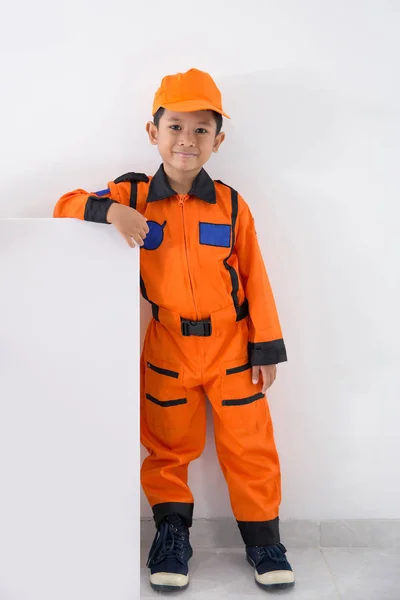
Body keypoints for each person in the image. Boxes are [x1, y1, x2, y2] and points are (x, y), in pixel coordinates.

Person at [53, 68, 295, 594]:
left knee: (249, 445)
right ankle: (171, 537)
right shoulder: (135, 193)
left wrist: (265, 347)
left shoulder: (232, 204)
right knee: (166, 448)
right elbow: (64, 205)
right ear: (153, 132)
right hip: (167, 346)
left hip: (231, 347)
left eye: (201, 129)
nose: (187, 139)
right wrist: (112, 209)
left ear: (218, 139)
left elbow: (256, 276)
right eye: (176, 126)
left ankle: (264, 543)